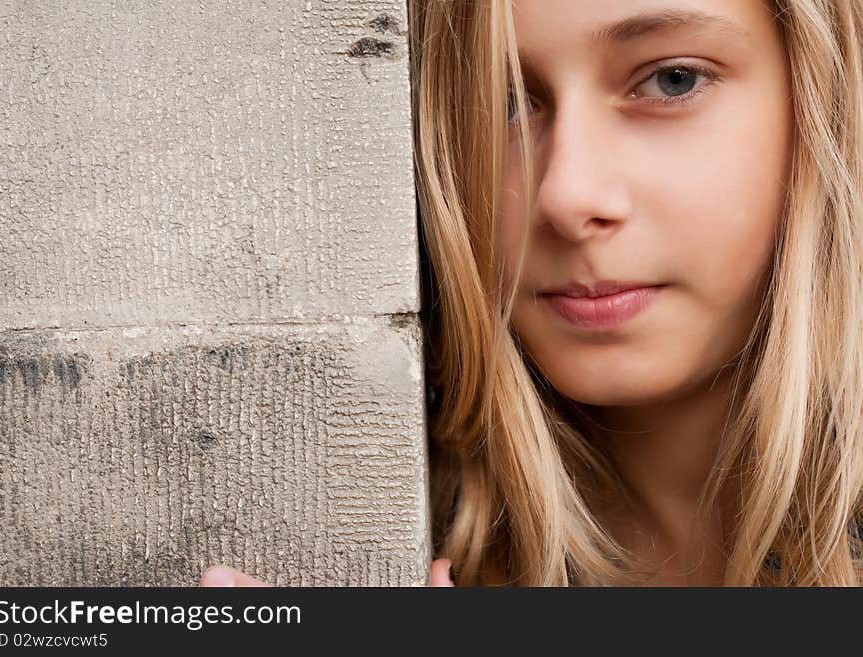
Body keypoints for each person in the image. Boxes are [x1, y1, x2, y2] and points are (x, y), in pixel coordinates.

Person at [201, 0, 863, 587]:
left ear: (822, 97)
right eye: (501, 101)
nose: (568, 195)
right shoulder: (363, 536)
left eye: (671, 79)